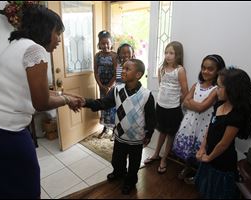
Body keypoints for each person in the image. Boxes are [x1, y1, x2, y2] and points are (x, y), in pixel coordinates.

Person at [0, 5, 82, 199]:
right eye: (57, 33)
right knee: (26, 187)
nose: (59, 40)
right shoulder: (35, 51)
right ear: (46, 29)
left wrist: (66, 97)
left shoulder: (16, 45)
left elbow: (37, 92)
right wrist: (65, 99)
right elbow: (41, 102)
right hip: (6, 133)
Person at [82, 59, 156, 195]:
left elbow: (151, 118)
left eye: (128, 69)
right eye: (123, 68)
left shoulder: (146, 95)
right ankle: (118, 172)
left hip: (136, 139)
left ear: (138, 74)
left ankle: (130, 181)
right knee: (117, 160)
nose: (123, 71)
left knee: (134, 165)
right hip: (120, 136)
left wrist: (149, 134)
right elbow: (103, 103)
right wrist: (85, 102)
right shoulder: (117, 90)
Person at [194, 67, 251, 199]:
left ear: (233, 90)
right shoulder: (219, 104)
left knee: (217, 192)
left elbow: (223, 144)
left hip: (222, 161)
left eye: (219, 87)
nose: (216, 90)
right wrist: (202, 148)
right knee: (205, 188)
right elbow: (210, 128)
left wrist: (209, 158)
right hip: (209, 153)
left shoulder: (237, 115)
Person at [172, 54, 226, 182]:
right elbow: (185, 101)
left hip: (204, 126)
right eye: (203, 68)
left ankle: (199, 175)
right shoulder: (196, 85)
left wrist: (192, 104)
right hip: (189, 123)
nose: (205, 71)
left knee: (200, 150)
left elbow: (202, 107)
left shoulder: (216, 89)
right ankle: (187, 167)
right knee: (189, 149)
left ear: (218, 71)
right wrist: (193, 104)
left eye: (210, 69)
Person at [144, 41, 188, 174]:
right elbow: (161, 86)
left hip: (173, 109)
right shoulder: (161, 69)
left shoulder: (180, 70)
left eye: (172, 53)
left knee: (170, 134)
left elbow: (185, 92)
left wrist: (176, 100)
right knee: (161, 131)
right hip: (161, 106)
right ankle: (156, 154)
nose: (168, 56)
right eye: (166, 52)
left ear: (178, 55)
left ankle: (164, 158)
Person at [94, 30, 117, 139]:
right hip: (102, 86)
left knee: (112, 107)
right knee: (104, 107)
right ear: (99, 44)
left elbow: (117, 73)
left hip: (112, 86)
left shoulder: (114, 56)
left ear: (111, 43)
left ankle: (114, 130)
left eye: (107, 43)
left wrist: (109, 86)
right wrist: (100, 85)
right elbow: (95, 72)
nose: (105, 45)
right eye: (103, 43)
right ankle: (105, 128)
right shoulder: (97, 56)